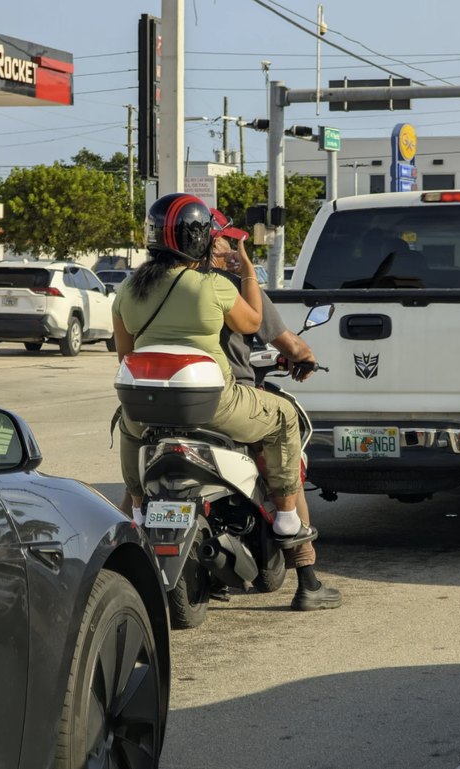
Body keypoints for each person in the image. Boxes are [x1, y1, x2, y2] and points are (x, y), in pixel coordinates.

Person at [112, 193, 316, 565]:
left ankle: (139, 507)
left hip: (149, 405)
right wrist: (248, 272)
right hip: (213, 404)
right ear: (202, 239)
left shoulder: (127, 289)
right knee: (284, 415)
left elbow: (125, 355)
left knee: (128, 427)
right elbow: (254, 322)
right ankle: (287, 519)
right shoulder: (215, 285)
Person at [209, 209, 341, 611]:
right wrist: (305, 357)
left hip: (162, 399)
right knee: (286, 460)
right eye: (230, 240)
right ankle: (307, 577)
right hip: (230, 400)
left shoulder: (151, 288)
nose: (235, 246)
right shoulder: (230, 288)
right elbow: (287, 343)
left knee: (137, 488)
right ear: (215, 244)